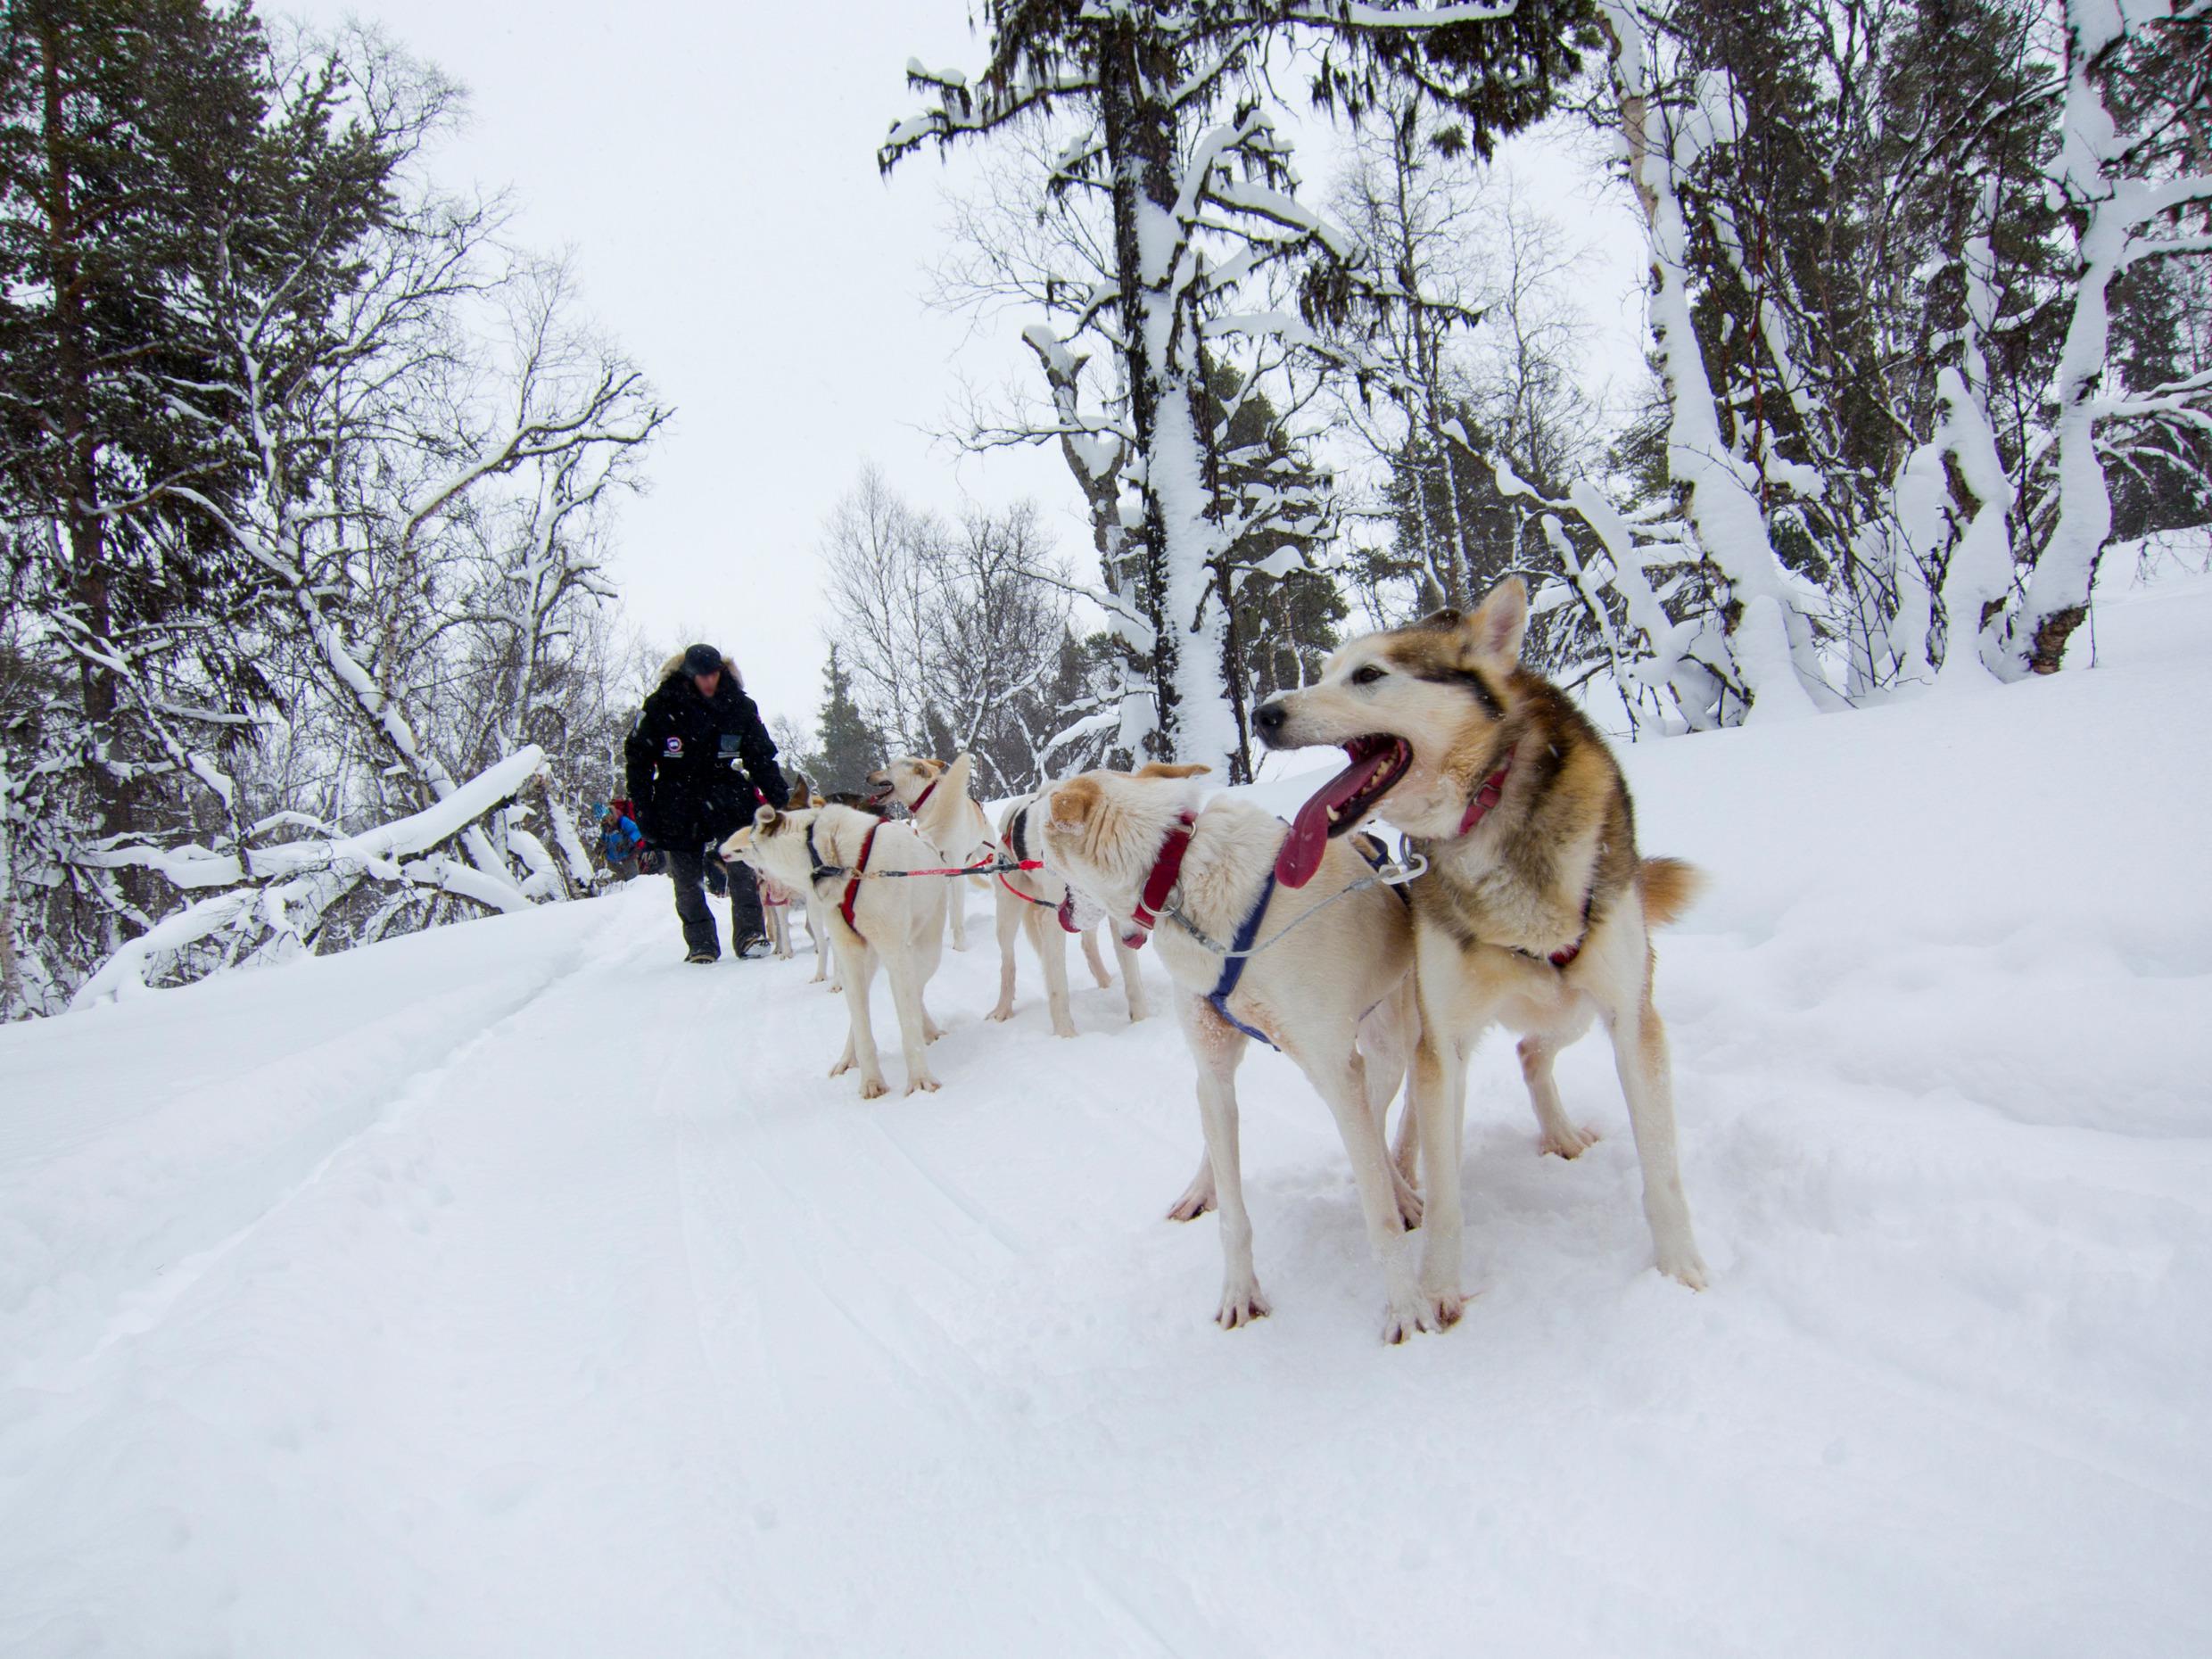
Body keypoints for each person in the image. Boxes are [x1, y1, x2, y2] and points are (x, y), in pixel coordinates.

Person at [623, 642, 788, 962]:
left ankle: (750, 935)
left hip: (725, 790)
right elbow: (638, 759)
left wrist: (782, 802)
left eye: (713, 674)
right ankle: (701, 944)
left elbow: (761, 759)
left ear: (721, 672)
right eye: (702, 676)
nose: (709, 682)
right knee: (686, 877)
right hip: (675, 795)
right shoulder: (660, 705)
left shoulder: (739, 706)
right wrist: (643, 808)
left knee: (742, 863)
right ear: (689, 674)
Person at [592, 802, 643, 881]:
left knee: (633, 879)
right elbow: (604, 839)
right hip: (613, 859)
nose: (605, 821)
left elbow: (637, 831)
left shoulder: (622, 821)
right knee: (622, 880)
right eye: (603, 820)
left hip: (628, 854)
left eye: (606, 818)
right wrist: (600, 847)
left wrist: (629, 841)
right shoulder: (605, 828)